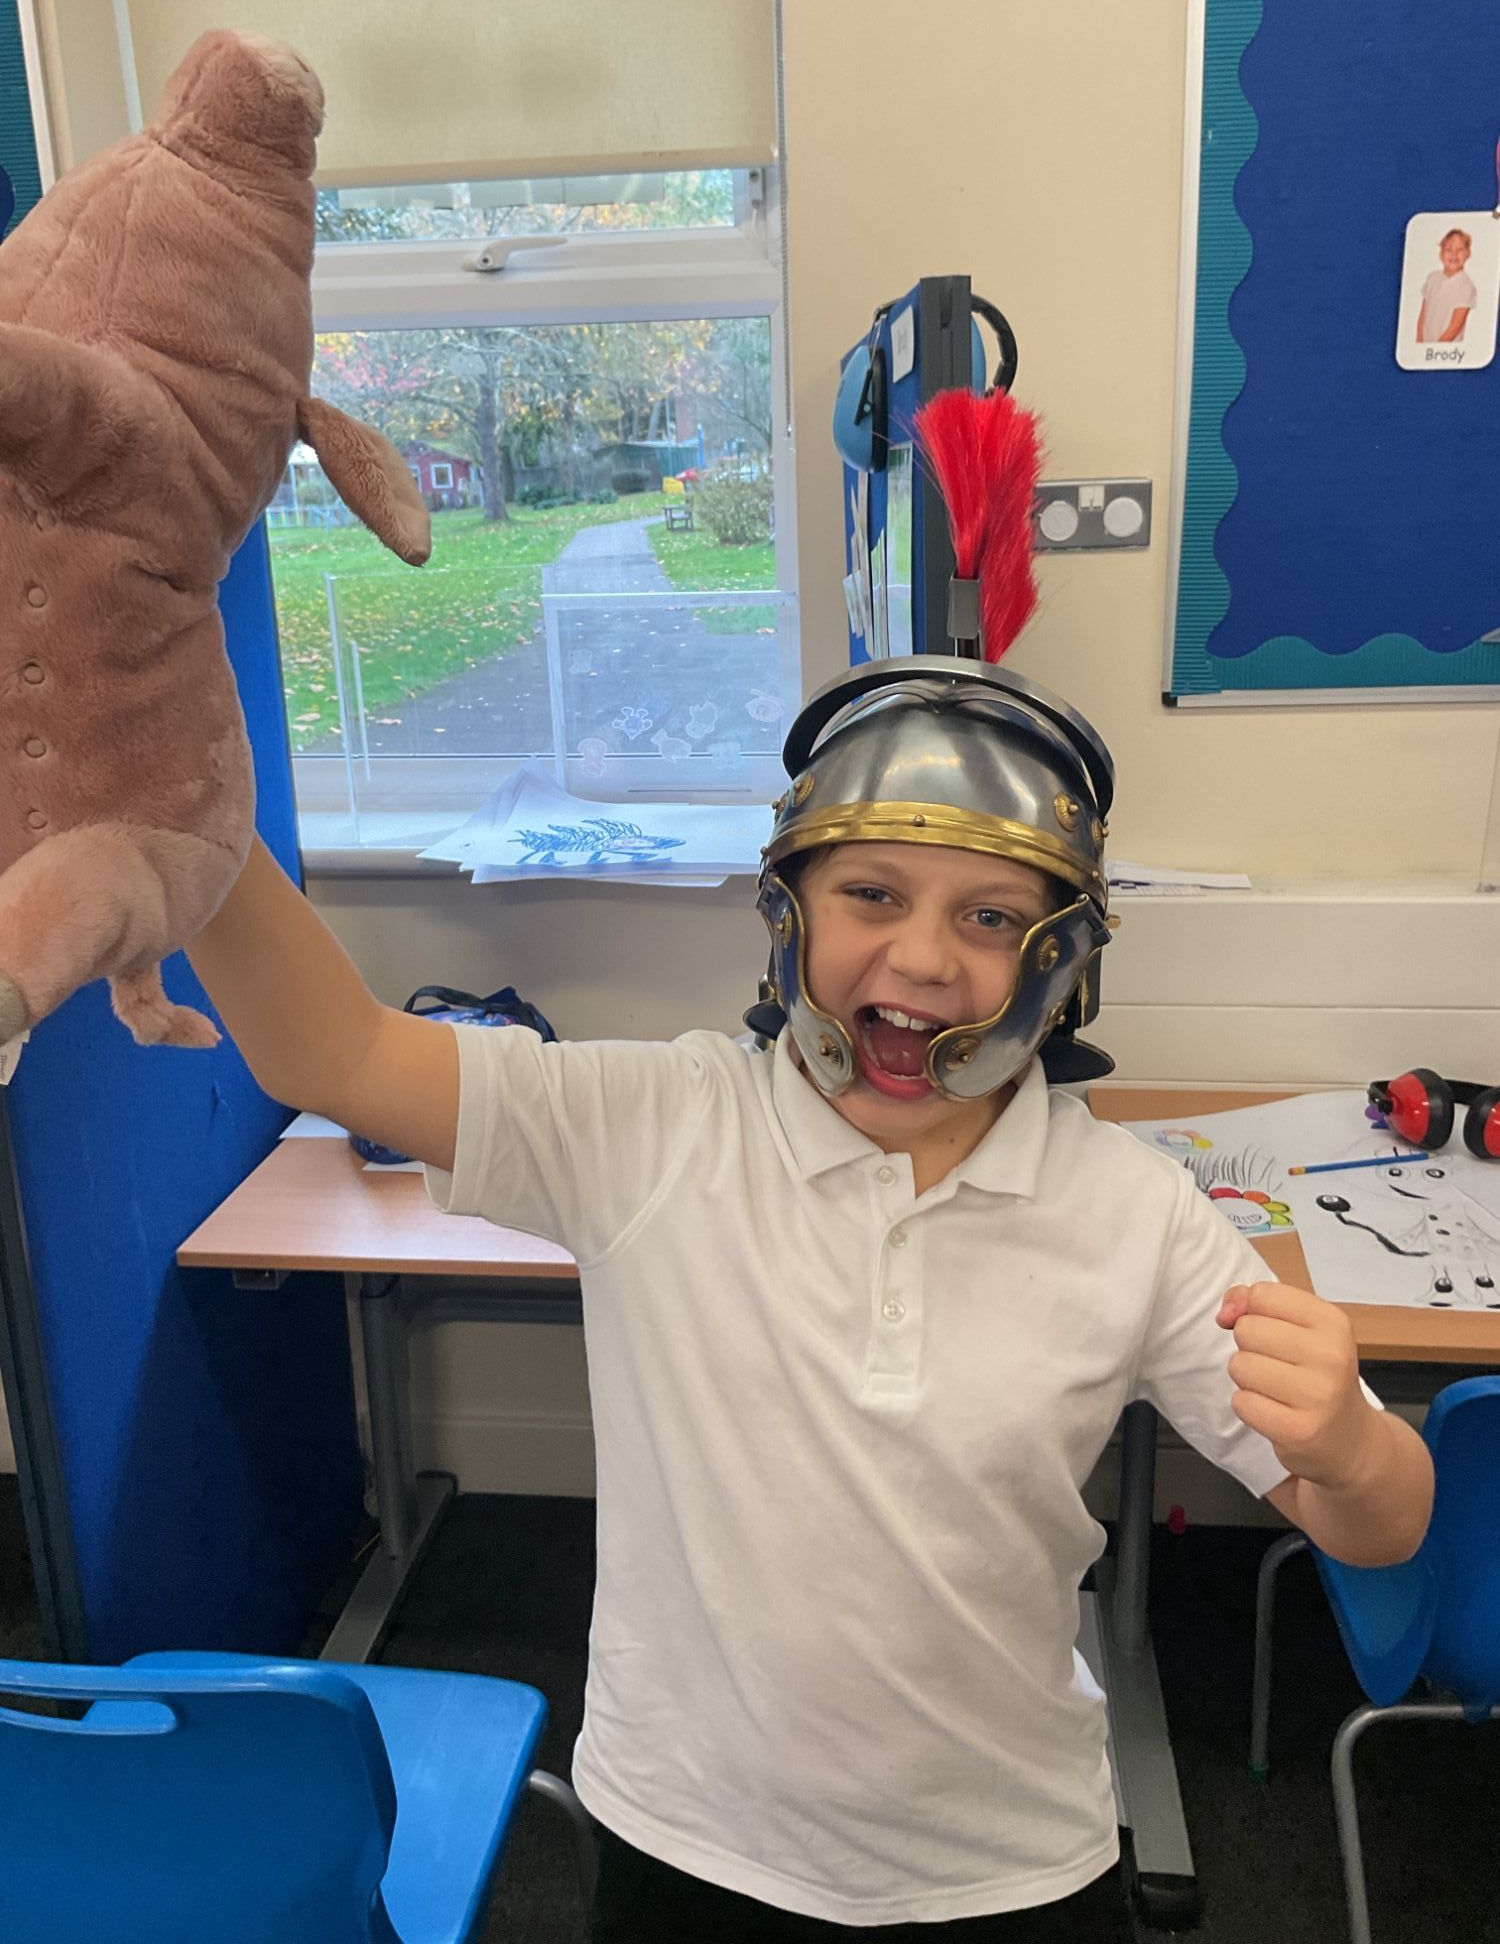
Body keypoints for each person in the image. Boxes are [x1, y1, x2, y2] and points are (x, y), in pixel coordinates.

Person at [186, 656, 1433, 1942]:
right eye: (871, 892)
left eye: (991, 916)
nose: (922, 954)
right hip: (687, 1834)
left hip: (1007, 1859)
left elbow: (1382, 1527)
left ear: (1062, 958)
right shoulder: (652, 1126)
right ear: (789, 909)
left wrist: (1347, 1441)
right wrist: (188, 819)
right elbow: (335, 1051)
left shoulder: (1134, 1207)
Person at [1415, 228, 1476, 345]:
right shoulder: (1432, 278)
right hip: (1425, 346)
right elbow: (1423, 315)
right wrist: (1419, 341)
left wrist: (1438, 347)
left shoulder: (1466, 286)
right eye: (1448, 249)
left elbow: (1456, 326)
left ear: (1468, 253)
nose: (1454, 254)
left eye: (1460, 249)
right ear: (1441, 254)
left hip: (1447, 348)